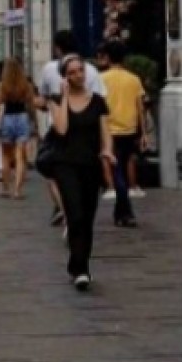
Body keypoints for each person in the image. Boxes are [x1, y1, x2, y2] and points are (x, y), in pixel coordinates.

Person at [46, 55, 116, 291]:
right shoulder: (56, 100)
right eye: (72, 72)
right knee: (74, 213)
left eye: (80, 71)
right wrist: (65, 96)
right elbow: (62, 128)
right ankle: (81, 270)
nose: (78, 76)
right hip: (65, 164)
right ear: (64, 77)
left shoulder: (97, 101)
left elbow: (105, 131)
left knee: (87, 217)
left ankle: (79, 263)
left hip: (90, 164)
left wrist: (107, 151)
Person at [37, 30, 107, 228]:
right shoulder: (91, 70)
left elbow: (43, 96)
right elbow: (102, 99)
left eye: (79, 72)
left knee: (55, 173)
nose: (78, 75)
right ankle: (70, 210)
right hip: (86, 132)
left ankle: (64, 208)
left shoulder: (49, 68)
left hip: (60, 131)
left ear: (57, 48)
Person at [98, 41, 149, 228]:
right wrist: (144, 133)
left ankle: (125, 211)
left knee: (117, 171)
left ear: (107, 57)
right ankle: (121, 212)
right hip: (130, 129)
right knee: (122, 168)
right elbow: (140, 107)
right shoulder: (133, 79)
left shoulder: (101, 79)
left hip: (109, 131)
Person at [0, 58, 37, 199]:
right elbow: (31, 106)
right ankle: (18, 190)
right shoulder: (26, 85)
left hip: (8, 118)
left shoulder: (2, 85)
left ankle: (5, 188)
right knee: (20, 157)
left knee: (6, 156)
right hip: (22, 118)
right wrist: (34, 122)